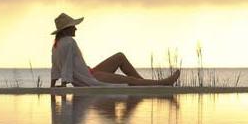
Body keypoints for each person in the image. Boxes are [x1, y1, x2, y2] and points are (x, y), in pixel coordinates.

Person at [50, 12, 180, 87]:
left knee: (119, 57)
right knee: (128, 80)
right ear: (66, 30)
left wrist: (52, 85)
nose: (76, 28)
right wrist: (63, 85)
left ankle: (145, 84)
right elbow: (66, 66)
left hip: (90, 72)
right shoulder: (69, 42)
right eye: (73, 26)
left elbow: (55, 68)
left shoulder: (56, 45)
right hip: (91, 78)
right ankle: (162, 83)